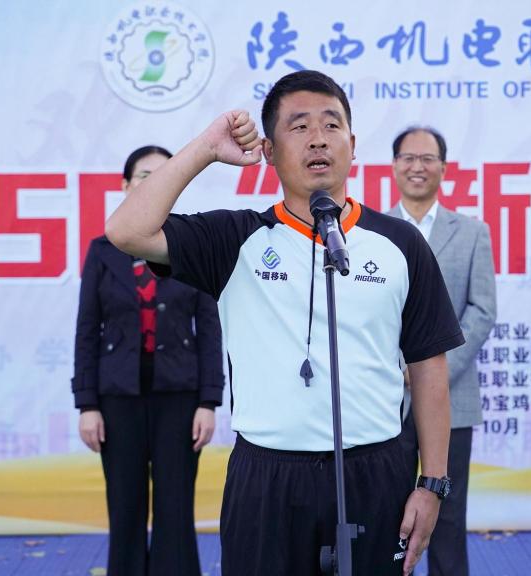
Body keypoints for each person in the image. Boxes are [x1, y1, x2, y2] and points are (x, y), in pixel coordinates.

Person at [105, 69, 463, 576]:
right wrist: (206, 148)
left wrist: (432, 485)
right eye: (299, 126)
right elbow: (126, 231)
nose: (318, 138)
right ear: (268, 151)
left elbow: (429, 368)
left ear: (353, 145)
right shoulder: (236, 239)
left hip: (375, 474)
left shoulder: (400, 244)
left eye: (332, 125)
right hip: (266, 480)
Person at [72, 145, 224, 576]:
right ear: (125, 186)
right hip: (117, 398)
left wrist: (208, 402)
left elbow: (209, 329)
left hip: (180, 397)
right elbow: (87, 329)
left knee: (176, 507)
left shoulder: (191, 247)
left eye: (163, 175)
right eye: (144, 175)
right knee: (125, 506)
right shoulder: (103, 250)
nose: (153, 183)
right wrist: (87, 404)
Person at [389, 127, 496, 576]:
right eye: (408, 158)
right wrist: (396, 368)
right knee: (387, 516)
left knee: (448, 517)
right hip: (385, 399)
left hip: (452, 399)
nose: (418, 167)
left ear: (444, 168)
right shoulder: (371, 231)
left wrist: (431, 371)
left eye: (427, 159)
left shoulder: (472, 233)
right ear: (394, 166)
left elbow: (482, 310)